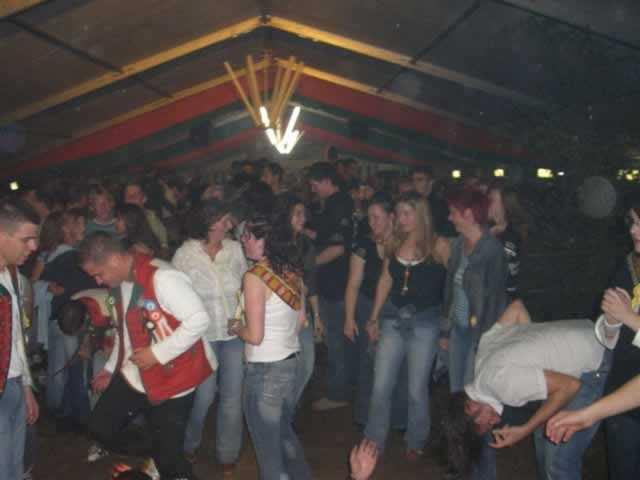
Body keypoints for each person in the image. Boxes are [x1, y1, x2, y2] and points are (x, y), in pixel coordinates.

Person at [79, 232, 217, 480]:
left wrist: (157, 353)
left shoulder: (162, 277)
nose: (98, 281)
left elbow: (199, 320)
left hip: (176, 377)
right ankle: (159, 450)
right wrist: (110, 368)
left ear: (114, 260)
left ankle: (166, 456)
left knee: (170, 463)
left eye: (99, 274)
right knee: (100, 427)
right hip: (138, 372)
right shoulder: (120, 283)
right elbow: (125, 331)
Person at [444, 300, 611, 480]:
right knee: (544, 432)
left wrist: (524, 430)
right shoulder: (481, 361)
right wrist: (537, 349)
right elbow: (517, 308)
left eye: (486, 425)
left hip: (592, 361)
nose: (492, 424)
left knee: (558, 461)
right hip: (588, 331)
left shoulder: (502, 385)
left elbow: (571, 386)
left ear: (471, 407)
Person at [547, 199, 640, 478]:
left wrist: (628, 317)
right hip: (623, 392)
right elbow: (608, 337)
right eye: (633, 222)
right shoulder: (629, 266)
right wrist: (611, 321)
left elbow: (628, 319)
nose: (634, 230)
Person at [364, 191, 449, 460]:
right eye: (399, 213)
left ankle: (416, 439)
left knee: (416, 388)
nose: (401, 219)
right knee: (381, 384)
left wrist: (447, 328)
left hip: (425, 321)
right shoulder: (394, 241)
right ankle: (374, 440)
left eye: (406, 213)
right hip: (393, 318)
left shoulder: (438, 245)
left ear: (420, 214)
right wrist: (374, 317)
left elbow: (454, 286)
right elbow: (385, 280)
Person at [230, 215, 312, 480]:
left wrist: (236, 327)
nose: (243, 240)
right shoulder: (292, 271)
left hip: (264, 372)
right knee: (284, 437)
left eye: (249, 236)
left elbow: (254, 336)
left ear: (266, 241)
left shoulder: (255, 277)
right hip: (291, 364)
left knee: (269, 454)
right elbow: (301, 321)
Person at [172, 200, 247, 472]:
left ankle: (228, 453)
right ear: (208, 223)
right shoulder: (185, 255)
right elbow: (174, 296)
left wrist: (244, 319)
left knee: (232, 397)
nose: (229, 224)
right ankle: (188, 444)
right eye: (223, 220)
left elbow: (246, 286)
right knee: (203, 397)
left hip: (234, 334)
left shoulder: (235, 249)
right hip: (201, 337)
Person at [344, 192, 407, 428]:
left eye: (376, 217)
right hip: (367, 306)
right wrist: (349, 318)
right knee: (367, 362)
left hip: (397, 310)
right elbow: (353, 284)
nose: (372, 223)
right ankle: (364, 416)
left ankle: (398, 418)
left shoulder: (405, 243)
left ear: (391, 217)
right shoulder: (364, 245)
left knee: (399, 363)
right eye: (369, 218)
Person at [444, 187, 508, 393]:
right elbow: (449, 291)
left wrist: (483, 341)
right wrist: (445, 329)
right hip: (458, 328)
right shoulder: (458, 245)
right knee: (456, 390)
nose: (449, 218)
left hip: (479, 333)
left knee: (472, 391)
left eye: (453, 212)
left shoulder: (492, 250)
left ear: (469, 215)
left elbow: (495, 301)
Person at [307, 162, 355, 412]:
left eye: (314, 184)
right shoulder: (334, 204)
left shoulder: (339, 204)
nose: (312, 189)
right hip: (334, 282)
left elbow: (337, 247)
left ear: (327, 181)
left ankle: (338, 393)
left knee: (336, 340)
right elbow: (325, 236)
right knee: (337, 340)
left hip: (336, 283)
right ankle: (343, 388)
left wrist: (309, 265)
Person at [0, 201, 40, 480]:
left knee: (15, 468)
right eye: (27, 239)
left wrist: (25, 386)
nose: (34, 247)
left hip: (12, 384)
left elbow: (15, 338)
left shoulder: (10, 275)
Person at [272, 194, 321, 406]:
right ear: (286, 216)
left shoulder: (306, 244)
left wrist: (317, 316)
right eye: (297, 214)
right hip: (278, 315)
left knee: (306, 365)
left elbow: (311, 282)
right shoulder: (271, 244)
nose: (303, 218)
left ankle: (288, 407)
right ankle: (281, 409)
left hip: (302, 313)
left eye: (304, 214)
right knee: (282, 367)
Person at [487, 182, 528, 300]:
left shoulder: (512, 236)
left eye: (491, 200)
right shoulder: (491, 230)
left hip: (505, 300)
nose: (486, 203)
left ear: (505, 205)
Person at [123, 183, 169, 254]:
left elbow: (165, 246)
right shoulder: (120, 220)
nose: (131, 197)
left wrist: (154, 253)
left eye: (136, 194)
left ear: (144, 198)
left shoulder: (152, 216)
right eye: (128, 195)